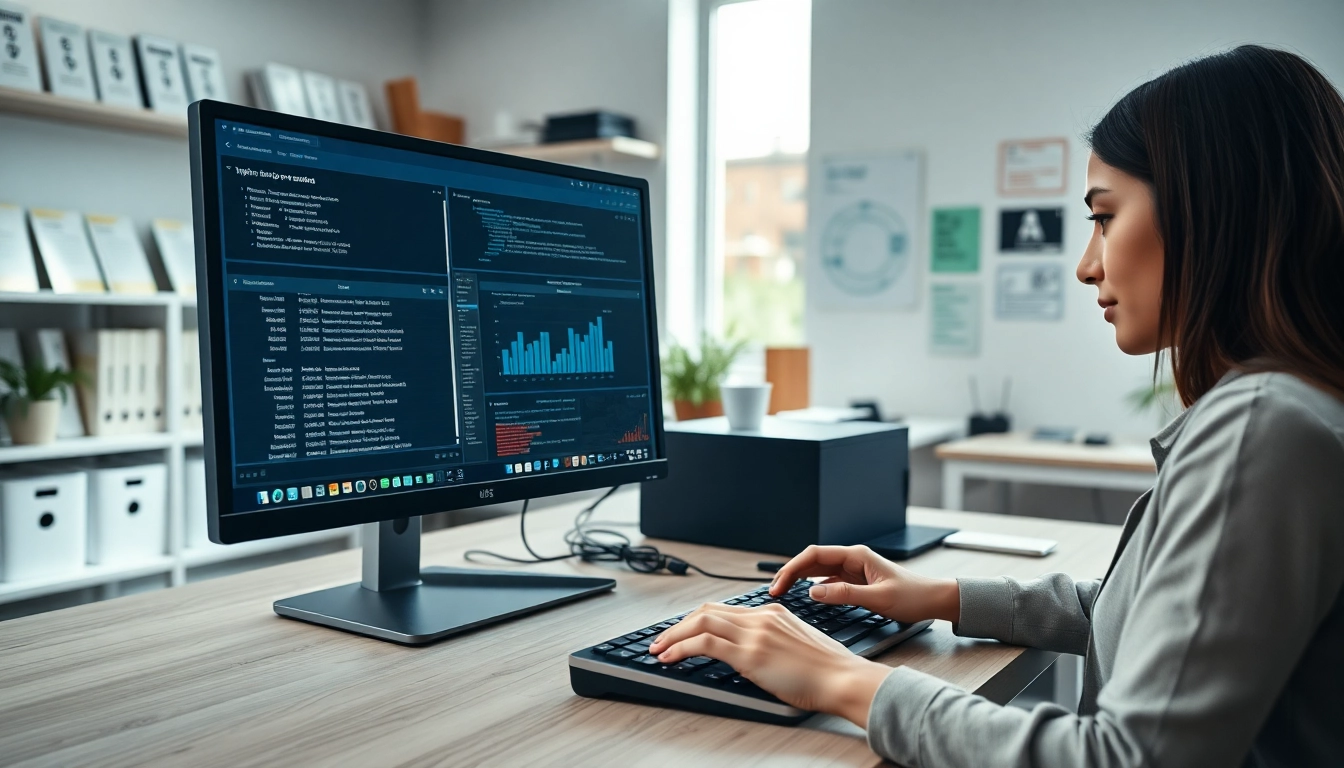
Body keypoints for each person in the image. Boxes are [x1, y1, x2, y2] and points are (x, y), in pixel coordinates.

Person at [650, 45, 1344, 767]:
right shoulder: (1295, 407)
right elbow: (1145, 611)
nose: (1087, 264)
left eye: (1104, 218)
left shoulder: (1263, 427)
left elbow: (1124, 758)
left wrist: (844, 680)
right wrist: (937, 596)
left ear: (1215, 212)